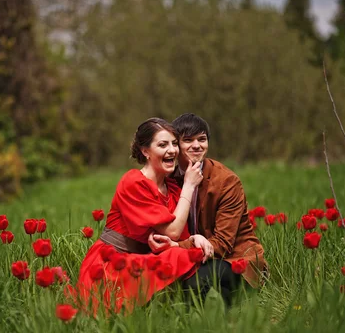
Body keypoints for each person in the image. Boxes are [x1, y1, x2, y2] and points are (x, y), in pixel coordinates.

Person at [69, 118, 204, 314]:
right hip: (112, 263)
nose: (172, 150)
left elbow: (178, 237)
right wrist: (190, 186)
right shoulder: (133, 182)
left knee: (185, 253)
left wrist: (194, 237)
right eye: (162, 144)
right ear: (145, 151)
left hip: (142, 258)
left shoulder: (173, 189)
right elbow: (173, 231)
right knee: (178, 256)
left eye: (174, 143)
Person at [149, 113, 267, 304]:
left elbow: (223, 244)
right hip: (191, 255)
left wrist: (178, 247)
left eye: (202, 139)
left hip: (233, 258)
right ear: (176, 146)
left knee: (195, 284)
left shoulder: (227, 182)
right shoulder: (168, 180)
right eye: (188, 140)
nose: (197, 145)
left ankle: (229, 313)